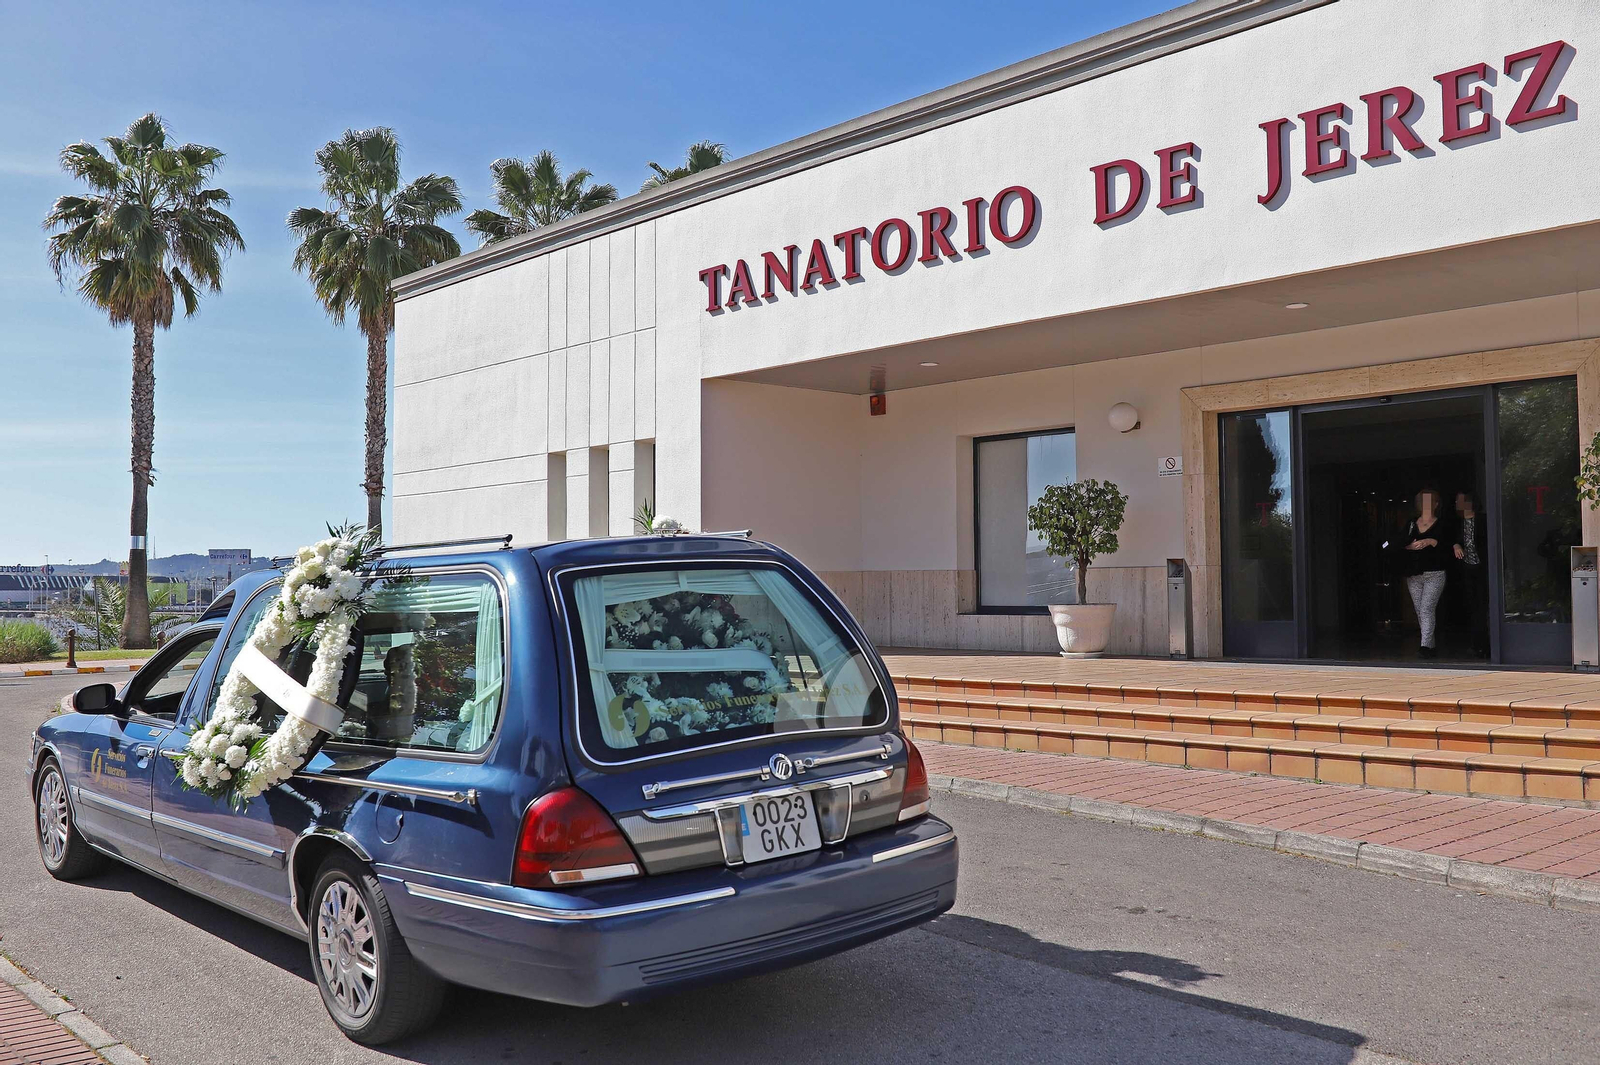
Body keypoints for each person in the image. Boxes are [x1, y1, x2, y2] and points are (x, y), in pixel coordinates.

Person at [1402, 488, 1455, 658]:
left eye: (1429, 502)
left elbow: (1449, 545)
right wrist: (1409, 546)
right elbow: (1399, 541)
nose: (1424, 505)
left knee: (1426, 609)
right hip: (1414, 575)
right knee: (1420, 610)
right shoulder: (1411, 523)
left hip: (1435, 573)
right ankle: (1430, 646)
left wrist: (1432, 541)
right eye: (1421, 502)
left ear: (1436, 504)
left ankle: (1424, 646)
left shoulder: (1442, 524)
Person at [1454, 490, 1488, 658]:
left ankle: (1485, 645)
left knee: (1483, 606)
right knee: (1471, 606)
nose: (1457, 503)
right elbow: (1452, 539)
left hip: (1483, 568)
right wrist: (1456, 545)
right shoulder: (1457, 523)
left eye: (1460, 500)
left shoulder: (1483, 520)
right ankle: (1475, 644)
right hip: (1467, 568)